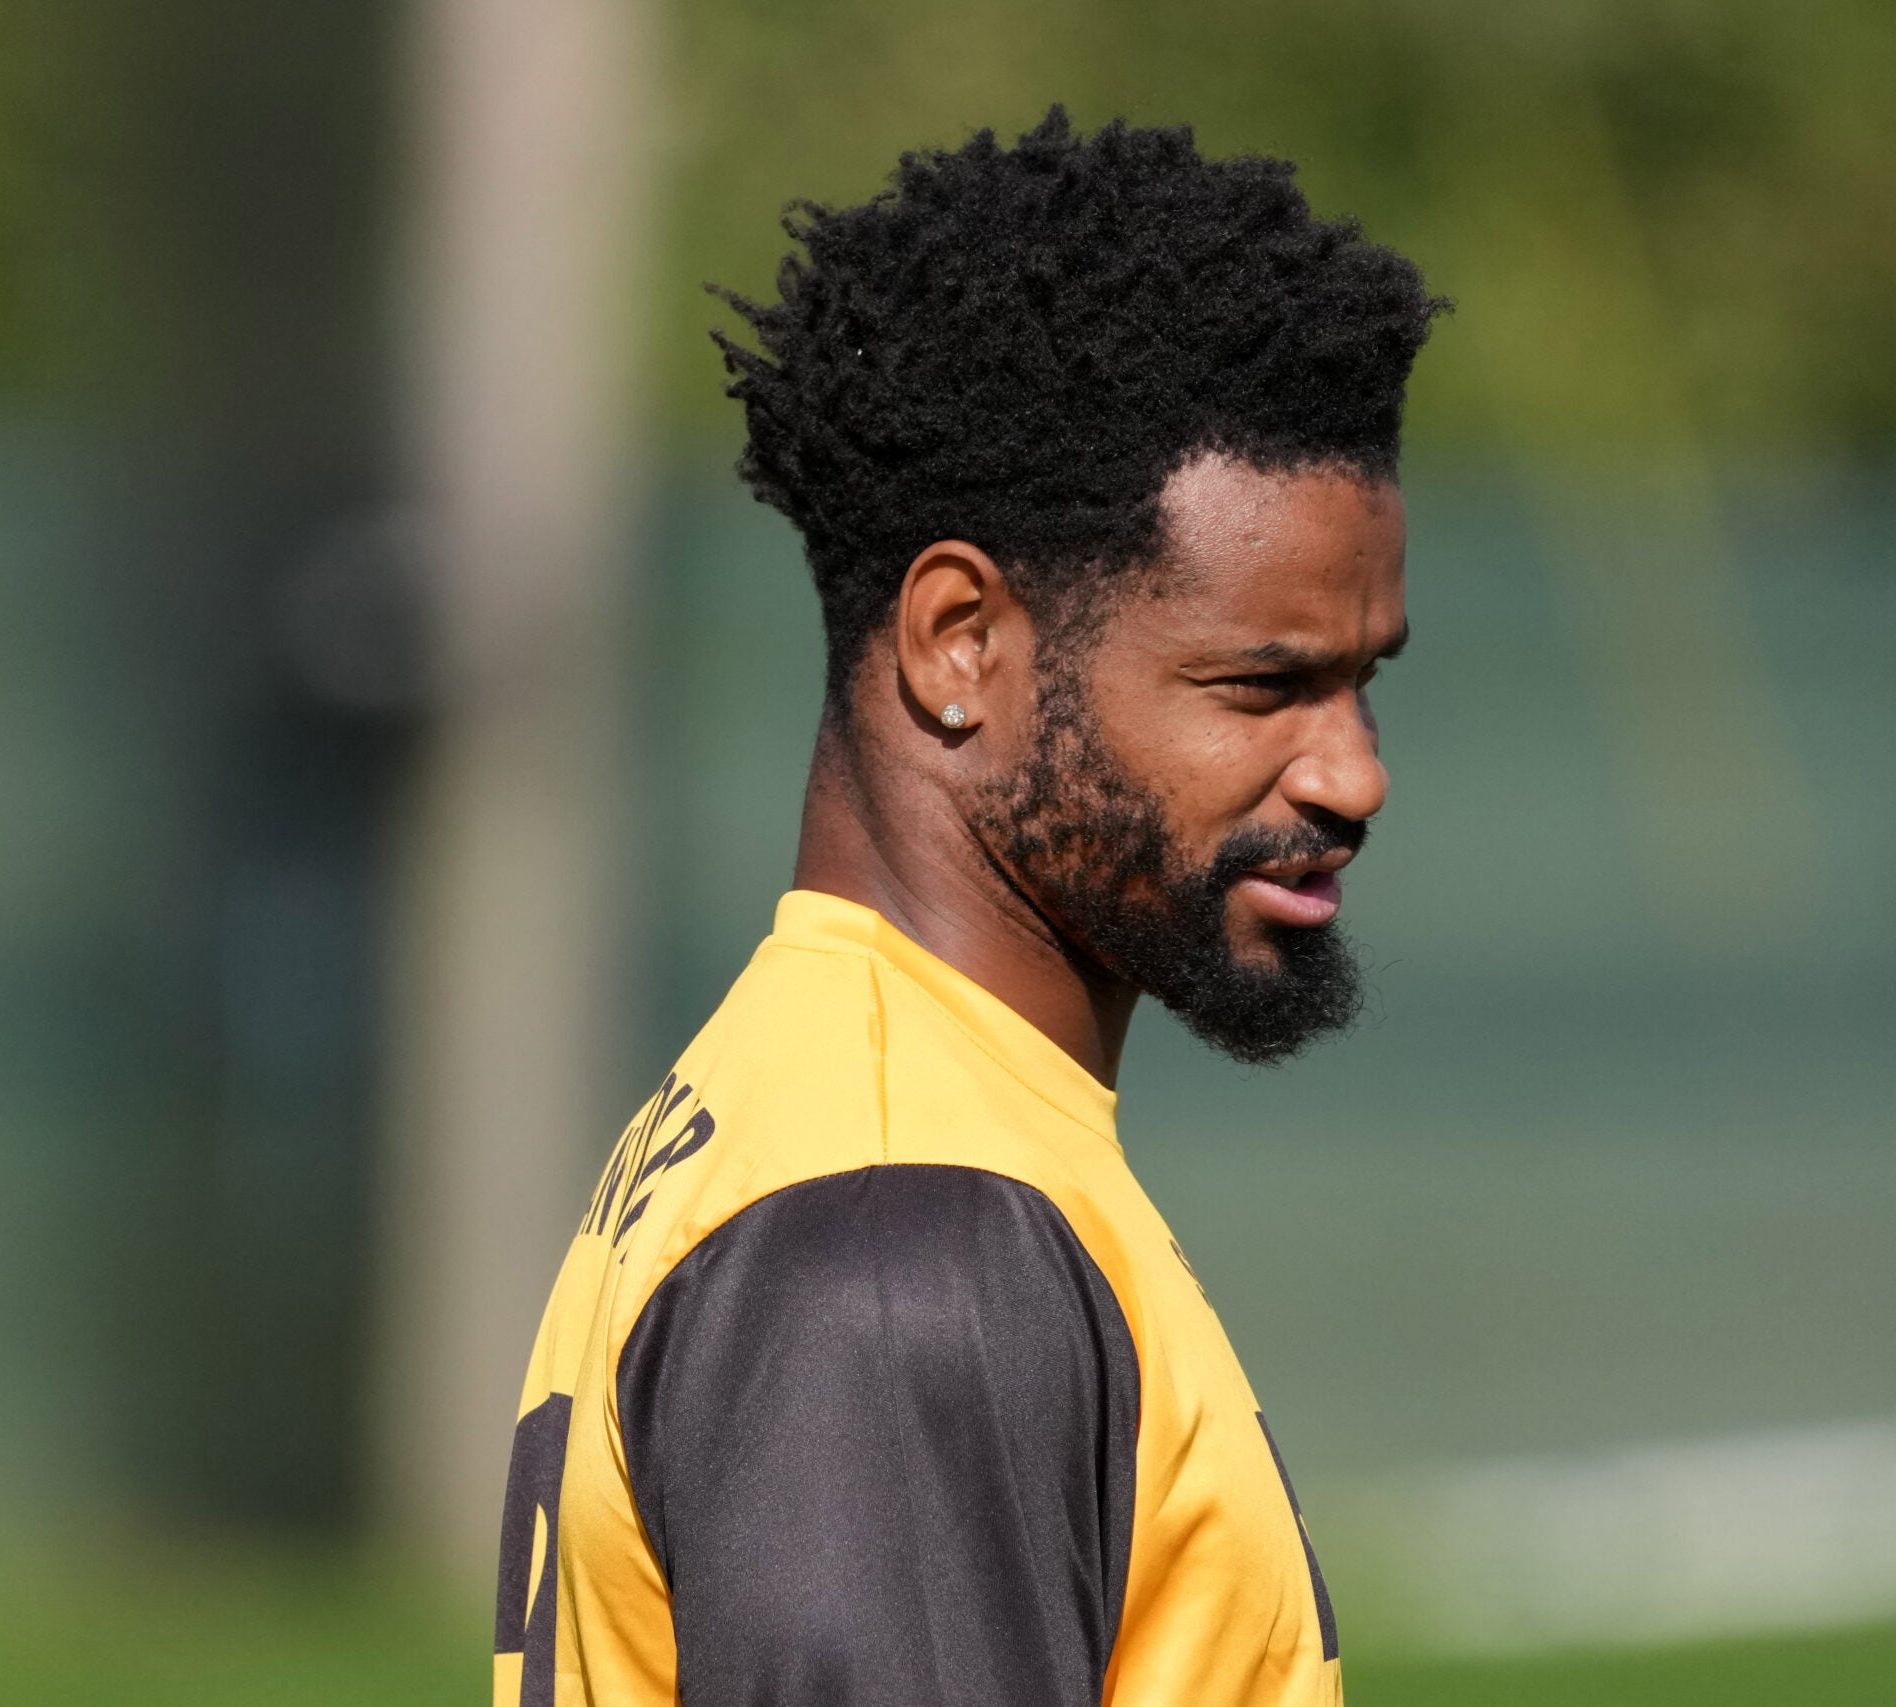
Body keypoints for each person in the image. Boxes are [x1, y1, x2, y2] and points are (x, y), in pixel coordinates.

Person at [494, 108, 1440, 1707]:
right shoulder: (895, 1241)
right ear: (958, 643)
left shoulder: (855, 1126)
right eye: (1261, 687)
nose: (1353, 774)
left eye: (1363, 684)